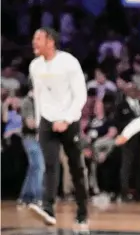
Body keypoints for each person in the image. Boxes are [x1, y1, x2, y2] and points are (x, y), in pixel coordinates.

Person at [28, 27, 89, 227]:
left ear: (51, 42)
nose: (34, 42)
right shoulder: (35, 66)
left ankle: (82, 211)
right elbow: (38, 97)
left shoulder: (68, 62)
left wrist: (68, 119)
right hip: (46, 120)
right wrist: (39, 125)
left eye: (39, 38)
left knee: (76, 168)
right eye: (34, 38)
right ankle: (48, 209)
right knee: (49, 164)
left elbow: (80, 94)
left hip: (69, 120)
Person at [17, 85, 45, 208]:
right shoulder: (27, 102)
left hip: (39, 138)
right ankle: (37, 198)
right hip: (30, 139)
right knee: (39, 166)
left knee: (34, 167)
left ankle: (25, 197)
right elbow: (30, 124)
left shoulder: (41, 102)